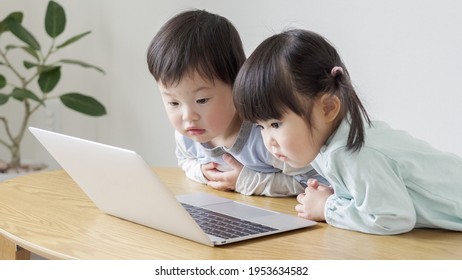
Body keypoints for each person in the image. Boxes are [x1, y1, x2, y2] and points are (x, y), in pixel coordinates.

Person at [233, 28, 462, 234]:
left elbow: (393, 218)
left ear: (329, 107)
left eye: (275, 124)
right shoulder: (334, 140)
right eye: (259, 127)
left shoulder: (352, 151)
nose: (268, 141)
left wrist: (328, 207)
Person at [146, 10, 322, 196]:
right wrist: (202, 173)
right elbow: (185, 161)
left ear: (237, 83)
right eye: (173, 103)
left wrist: (245, 181)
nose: (188, 116)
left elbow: (314, 183)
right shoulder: (187, 137)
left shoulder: (268, 136)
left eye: (202, 100)